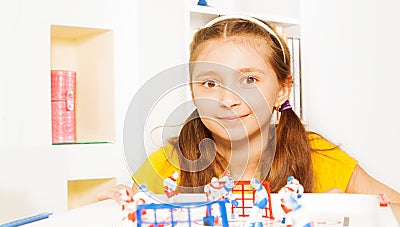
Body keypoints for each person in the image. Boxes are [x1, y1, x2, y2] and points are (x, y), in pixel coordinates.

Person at [98, 15, 400, 204]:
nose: (228, 99)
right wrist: (110, 209)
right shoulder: (167, 165)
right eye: (210, 83)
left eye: (249, 80)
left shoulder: (320, 158)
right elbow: (124, 215)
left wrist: (357, 211)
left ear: (282, 88)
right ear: (192, 91)